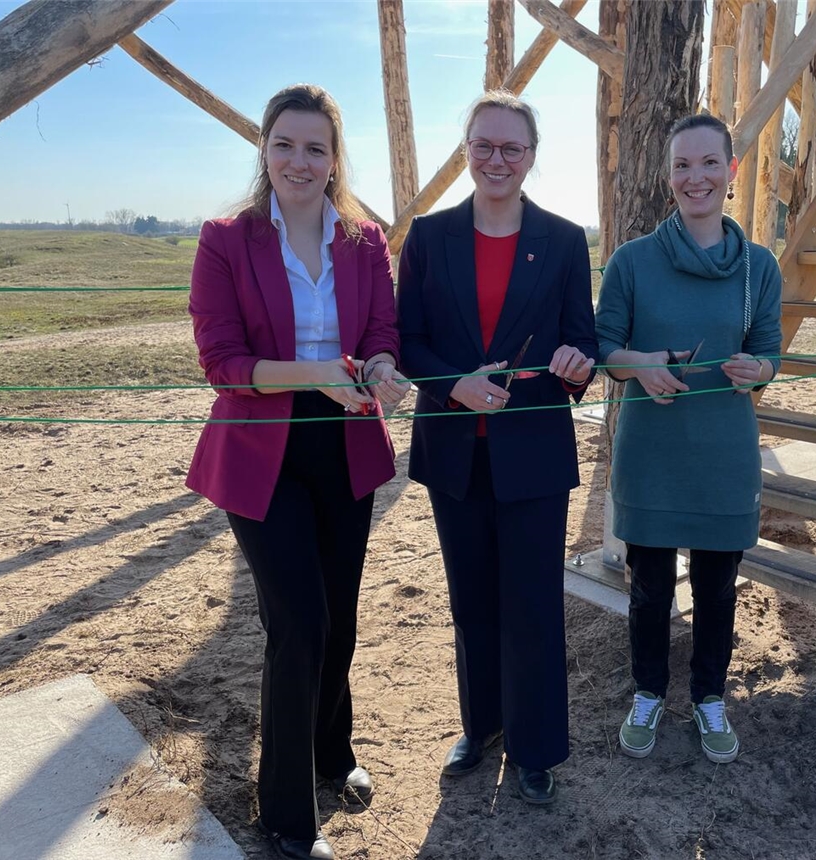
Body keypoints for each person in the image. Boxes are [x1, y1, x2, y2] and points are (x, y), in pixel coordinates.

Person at [186, 84, 409, 860]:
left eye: (316, 148)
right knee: (298, 624)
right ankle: (284, 816)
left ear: (335, 158)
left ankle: (332, 754)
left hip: (345, 442)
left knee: (338, 618)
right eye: (285, 144)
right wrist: (313, 375)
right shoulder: (225, 239)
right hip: (258, 453)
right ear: (265, 148)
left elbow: (383, 332)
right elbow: (223, 364)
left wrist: (380, 364)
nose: (299, 161)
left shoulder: (365, 242)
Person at [396, 90, 596, 805]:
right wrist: (454, 385)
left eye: (512, 148)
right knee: (471, 601)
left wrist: (578, 364)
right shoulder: (428, 237)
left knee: (534, 606)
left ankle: (535, 747)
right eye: (484, 145)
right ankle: (480, 726)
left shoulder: (567, 240)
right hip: (455, 454)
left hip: (535, 455)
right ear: (466, 149)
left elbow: (584, 340)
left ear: (532, 157)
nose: (497, 159)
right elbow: (407, 341)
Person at [594, 113, 781, 766]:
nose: (694, 176)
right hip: (650, 460)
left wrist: (759, 370)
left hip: (724, 461)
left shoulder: (760, 268)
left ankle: (708, 696)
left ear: (731, 174)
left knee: (717, 590)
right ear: (667, 175)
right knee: (648, 587)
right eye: (682, 165)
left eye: (709, 164)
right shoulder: (631, 262)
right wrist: (641, 365)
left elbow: (769, 353)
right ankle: (648, 691)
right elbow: (603, 350)